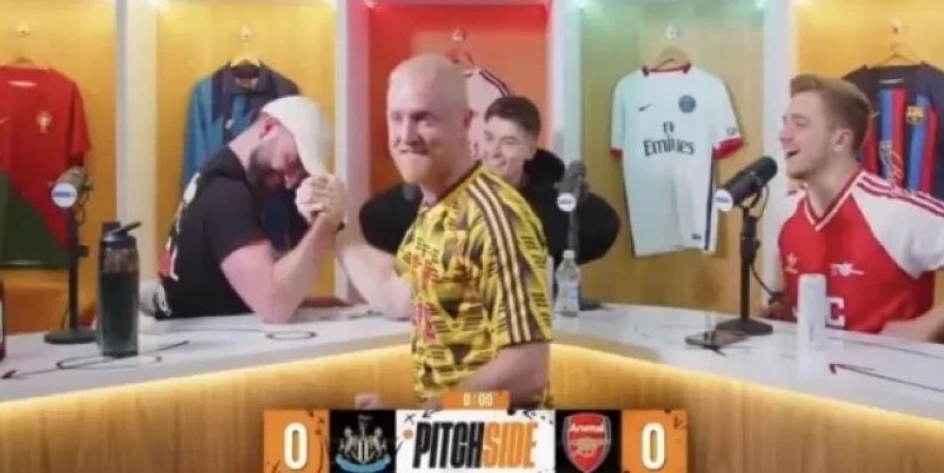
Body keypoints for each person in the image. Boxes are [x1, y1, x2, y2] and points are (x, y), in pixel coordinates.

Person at [299, 54, 553, 409]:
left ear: (466, 122)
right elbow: (396, 294)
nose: (406, 136)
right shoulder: (435, 205)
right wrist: (333, 223)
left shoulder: (496, 215)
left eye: (424, 119)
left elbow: (527, 371)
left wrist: (421, 418)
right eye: (396, 118)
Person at [766, 74, 944, 340]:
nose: (784, 136)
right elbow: (786, 300)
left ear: (840, 140)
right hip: (808, 365)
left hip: (891, 366)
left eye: (800, 124)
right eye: (785, 123)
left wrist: (925, 327)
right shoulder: (785, 210)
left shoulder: (896, 212)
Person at [359, 96, 620, 285]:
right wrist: (430, 184)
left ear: (530, 150)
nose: (493, 152)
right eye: (489, 138)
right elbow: (373, 218)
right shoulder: (455, 187)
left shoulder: (549, 199)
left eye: (508, 142)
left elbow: (606, 226)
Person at [147, 96, 342, 323]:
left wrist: (323, 305)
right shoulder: (227, 195)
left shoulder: (215, 174)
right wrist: (327, 223)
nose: (290, 182)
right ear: (269, 128)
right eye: (292, 161)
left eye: (300, 174)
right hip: (203, 342)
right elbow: (275, 305)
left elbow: (245, 280)